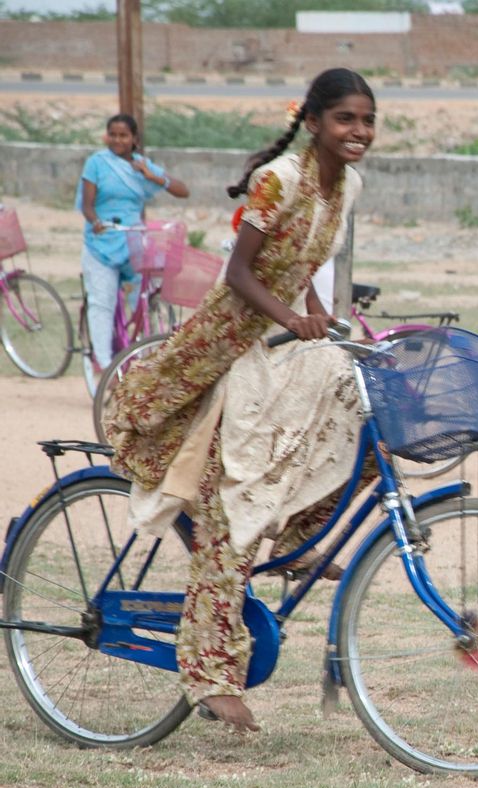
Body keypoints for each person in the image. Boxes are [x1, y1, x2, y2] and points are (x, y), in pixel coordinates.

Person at [105, 68, 377, 734]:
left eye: (368, 121)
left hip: (277, 348)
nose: (359, 132)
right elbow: (240, 273)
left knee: (361, 419)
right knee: (227, 509)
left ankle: (295, 534)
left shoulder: (348, 185)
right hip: (223, 351)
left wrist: (320, 318)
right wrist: (293, 316)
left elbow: (303, 263)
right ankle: (209, 675)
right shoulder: (279, 179)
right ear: (312, 121)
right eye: (346, 119)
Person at [77, 114, 190, 370]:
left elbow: (183, 191)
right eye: (113, 135)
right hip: (102, 240)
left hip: (133, 240)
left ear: (134, 139)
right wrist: (95, 221)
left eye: (123, 135)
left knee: (146, 295)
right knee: (102, 301)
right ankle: (105, 364)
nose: (117, 140)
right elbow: (87, 205)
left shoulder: (141, 166)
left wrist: (152, 176)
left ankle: (143, 352)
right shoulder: (96, 163)